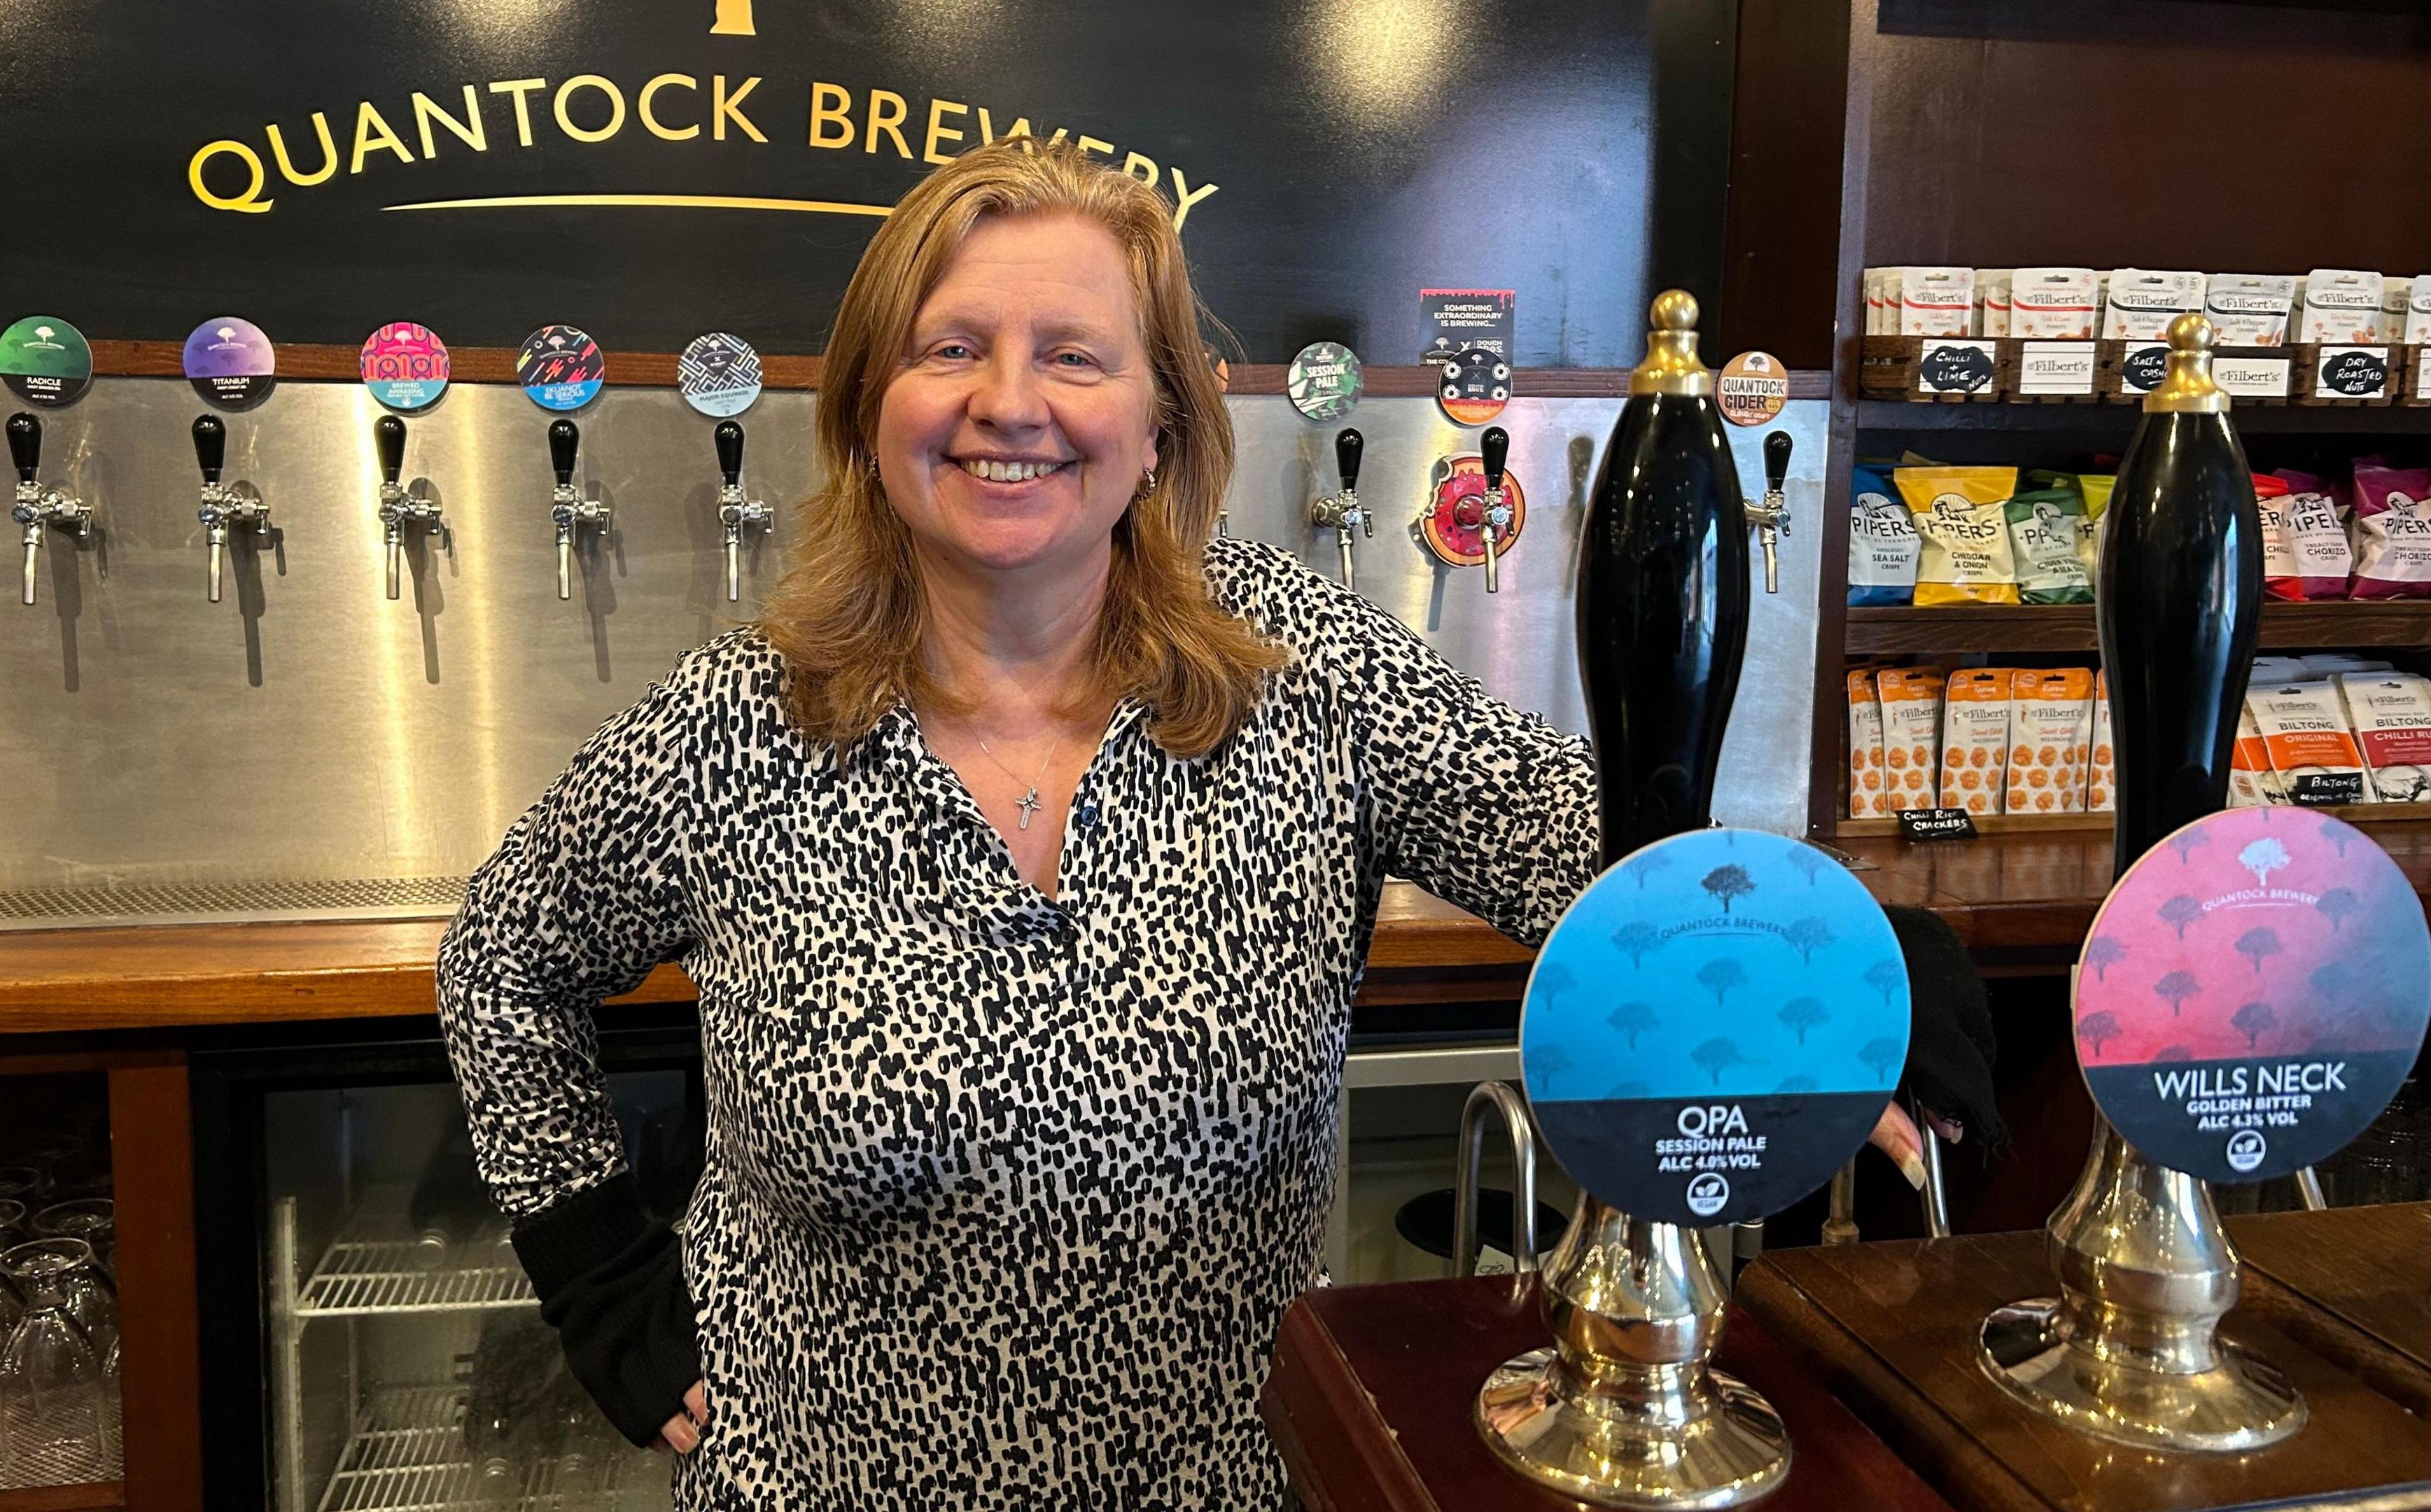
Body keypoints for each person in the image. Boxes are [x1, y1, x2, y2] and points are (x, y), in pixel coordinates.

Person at [436, 137, 1956, 1509]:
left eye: (1073, 355)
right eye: (948, 347)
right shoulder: (741, 722)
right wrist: (601, 1282)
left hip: (1221, 1482)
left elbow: (1619, 854)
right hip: (814, 1478)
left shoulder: (1306, 677)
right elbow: (501, 961)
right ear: (869, 410)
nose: (1007, 401)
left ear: (1158, 422)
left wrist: (1878, 974)